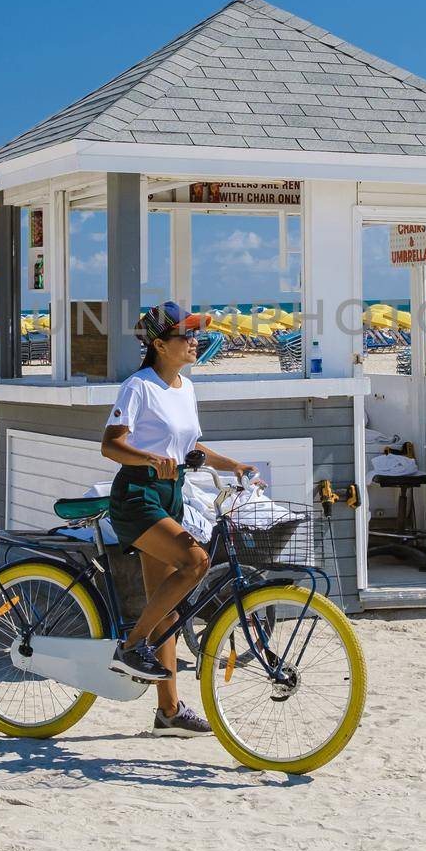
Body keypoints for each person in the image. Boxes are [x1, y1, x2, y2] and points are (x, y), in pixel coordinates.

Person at [101, 301, 259, 736]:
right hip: (137, 496)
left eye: (195, 335)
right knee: (195, 562)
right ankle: (131, 646)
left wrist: (234, 465)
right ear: (157, 344)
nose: (195, 342)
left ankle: (168, 711)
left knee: (167, 606)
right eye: (185, 336)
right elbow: (111, 446)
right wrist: (151, 460)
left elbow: (194, 449)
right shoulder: (139, 386)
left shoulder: (184, 388)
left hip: (169, 495)